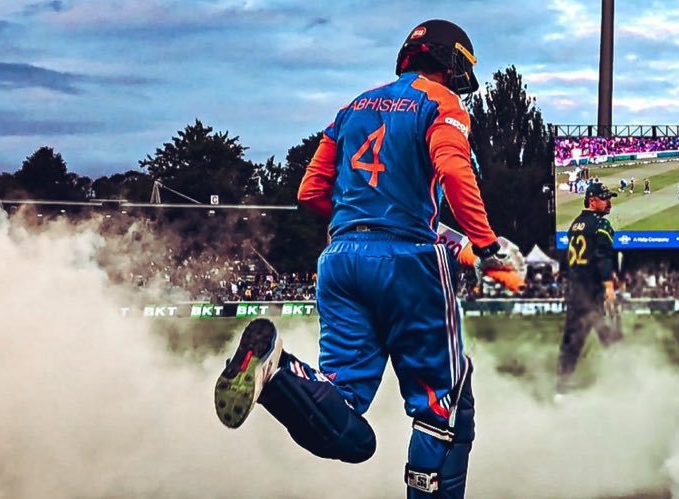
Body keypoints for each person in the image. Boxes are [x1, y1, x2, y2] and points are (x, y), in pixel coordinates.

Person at [213, 19, 522, 498]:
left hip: (340, 260)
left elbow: (310, 191)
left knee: (348, 424)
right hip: (408, 264)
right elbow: (455, 174)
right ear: (450, 60)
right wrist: (486, 247)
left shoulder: (351, 108)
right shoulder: (442, 103)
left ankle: (278, 372)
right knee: (444, 408)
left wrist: (370, 218)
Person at [557, 182, 622, 397]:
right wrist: (609, 285)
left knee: (571, 343)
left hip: (576, 291)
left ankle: (560, 390)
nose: (609, 202)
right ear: (592, 201)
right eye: (605, 198)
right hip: (593, 291)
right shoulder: (601, 225)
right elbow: (603, 257)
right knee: (609, 335)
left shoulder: (575, 224)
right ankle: (625, 378)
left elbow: (569, 259)